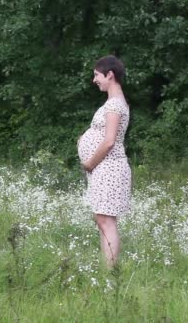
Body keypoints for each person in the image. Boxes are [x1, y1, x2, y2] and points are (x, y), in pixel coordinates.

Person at [77, 55, 132, 269]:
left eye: (97, 75)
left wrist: (90, 163)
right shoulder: (113, 103)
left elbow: (109, 141)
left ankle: (111, 273)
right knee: (102, 220)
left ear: (110, 75)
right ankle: (108, 270)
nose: (94, 80)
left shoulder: (115, 105)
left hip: (108, 168)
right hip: (105, 169)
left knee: (106, 221)